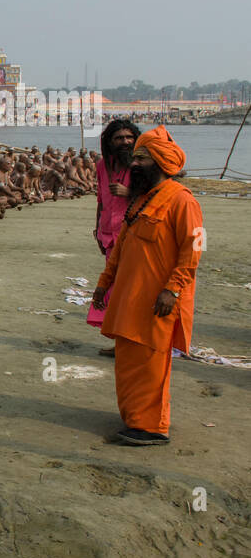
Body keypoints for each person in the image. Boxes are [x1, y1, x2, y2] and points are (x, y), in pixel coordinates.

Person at [90, 126, 202, 447]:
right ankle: (134, 419)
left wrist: (173, 290)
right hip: (128, 299)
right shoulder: (140, 201)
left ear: (162, 163)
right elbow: (121, 248)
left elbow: (192, 249)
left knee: (151, 363)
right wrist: (103, 284)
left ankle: (152, 427)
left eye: (143, 158)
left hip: (158, 301)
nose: (135, 164)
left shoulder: (181, 201)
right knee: (127, 361)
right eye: (135, 157)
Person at [90, 119, 140, 354]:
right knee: (115, 291)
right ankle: (121, 341)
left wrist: (128, 192)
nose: (125, 142)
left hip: (136, 235)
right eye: (119, 138)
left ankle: (133, 341)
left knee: (132, 291)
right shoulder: (102, 166)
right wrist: (97, 229)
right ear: (110, 142)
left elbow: (158, 196)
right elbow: (101, 200)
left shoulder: (142, 164)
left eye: (129, 137)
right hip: (109, 235)